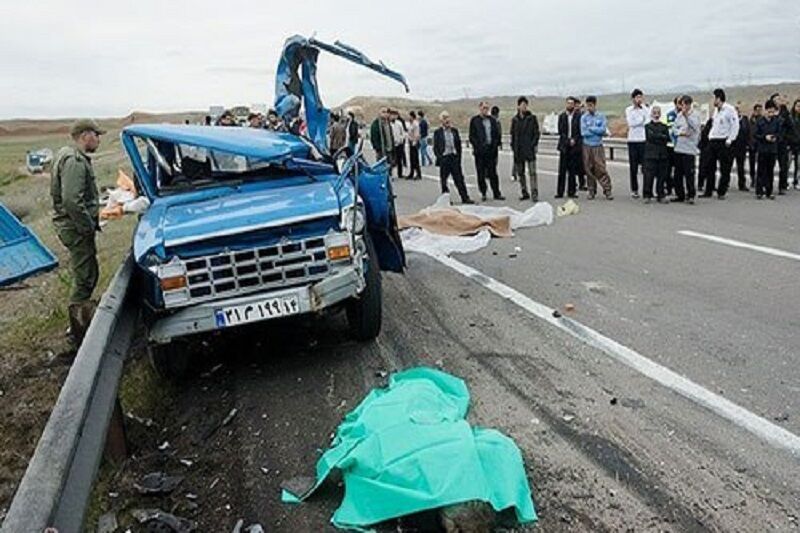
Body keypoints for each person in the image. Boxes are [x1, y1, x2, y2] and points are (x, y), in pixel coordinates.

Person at [51, 120, 105, 344]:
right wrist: (87, 226)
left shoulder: (68, 154)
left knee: (87, 272)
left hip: (72, 226)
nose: (98, 139)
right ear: (85, 135)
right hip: (75, 228)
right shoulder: (74, 161)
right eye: (96, 135)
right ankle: (78, 332)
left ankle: (81, 321)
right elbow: (72, 201)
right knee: (84, 277)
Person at [701, 88, 739, 199]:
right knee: (709, 166)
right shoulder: (716, 111)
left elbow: (735, 125)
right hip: (713, 141)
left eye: (713, 98)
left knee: (724, 168)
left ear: (718, 98)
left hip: (723, 141)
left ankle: (721, 191)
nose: (712, 100)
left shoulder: (729, 110)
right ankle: (708, 190)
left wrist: (730, 139)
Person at [433, 111, 473, 204]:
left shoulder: (454, 131)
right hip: (445, 158)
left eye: (447, 118)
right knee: (444, 180)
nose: (447, 120)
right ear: (441, 121)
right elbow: (436, 147)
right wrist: (440, 157)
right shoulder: (438, 132)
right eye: (444, 118)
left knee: (459, 179)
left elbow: (458, 145)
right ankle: (446, 199)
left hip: (454, 157)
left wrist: (458, 157)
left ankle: (465, 197)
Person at [468, 101, 504, 201]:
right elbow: (472, 136)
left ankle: (496, 193)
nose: (485, 110)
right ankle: (483, 192)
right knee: (481, 173)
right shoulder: (475, 121)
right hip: (480, 152)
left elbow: (497, 135)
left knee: (493, 173)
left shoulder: (492, 121)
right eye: (484, 108)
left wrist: (495, 145)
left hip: (491, 151)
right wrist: (478, 147)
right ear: (480, 108)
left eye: (487, 108)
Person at [580, 96, 613, 200]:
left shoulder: (601, 116)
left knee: (600, 168)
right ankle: (591, 191)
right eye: (587, 106)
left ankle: (607, 190)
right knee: (588, 169)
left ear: (595, 105)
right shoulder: (584, 118)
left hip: (597, 145)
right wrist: (596, 130)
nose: (589, 108)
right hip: (587, 146)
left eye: (591, 105)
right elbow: (584, 132)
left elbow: (603, 130)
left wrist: (591, 128)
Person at [510, 96, 540, 201]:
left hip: (529, 149)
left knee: (532, 172)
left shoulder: (532, 118)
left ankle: (534, 192)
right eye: (522, 105)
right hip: (518, 150)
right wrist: (513, 147)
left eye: (525, 105)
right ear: (518, 106)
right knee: (521, 173)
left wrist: (533, 144)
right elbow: (512, 135)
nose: (524, 107)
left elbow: (536, 133)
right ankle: (524, 192)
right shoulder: (515, 120)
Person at [671, 95, 700, 204]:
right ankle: (680, 195)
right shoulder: (679, 116)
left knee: (689, 173)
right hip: (679, 147)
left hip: (690, 148)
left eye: (684, 105)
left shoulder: (695, 115)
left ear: (688, 104)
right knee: (678, 173)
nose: (682, 107)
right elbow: (674, 128)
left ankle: (691, 195)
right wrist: (680, 133)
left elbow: (695, 127)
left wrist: (687, 116)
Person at [754, 99, 781, 199]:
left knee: (770, 171)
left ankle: (769, 191)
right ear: (765, 111)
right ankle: (759, 191)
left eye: (773, 112)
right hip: (762, 149)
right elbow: (756, 135)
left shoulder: (776, 122)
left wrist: (775, 137)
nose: (771, 114)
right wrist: (765, 137)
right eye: (769, 112)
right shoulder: (759, 121)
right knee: (761, 171)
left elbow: (780, 134)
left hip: (772, 150)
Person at [625, 89, 649, 198]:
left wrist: (641, 119)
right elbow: (631, 123)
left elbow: (648, 121)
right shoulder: (629, 110)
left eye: (640, 97)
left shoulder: (646, 109)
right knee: (633, 167)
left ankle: (646, 189)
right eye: (637, 97)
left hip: (643, 140)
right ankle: (634, 189)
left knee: (645, 167)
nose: (639, 99)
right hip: (633, 141)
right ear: (633, 99)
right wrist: (641, 119)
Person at [643, 106, 670, 203]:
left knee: (662, 177)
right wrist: (660, 136)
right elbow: (650, 137)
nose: (656, 114)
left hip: (662, 155)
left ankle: (661, 195)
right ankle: (647, 195)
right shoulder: (647, 126)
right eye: (654, 112)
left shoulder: (664, 126)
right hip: (650, 155)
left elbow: (667, 138)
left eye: (658, 112)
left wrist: (657, 136)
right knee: (648, 176)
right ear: (651, 114)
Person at [556, 96, 582, 198]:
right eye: (568, 103)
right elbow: (560, 131)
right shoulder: (562, 116)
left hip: (574, 146)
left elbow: (579, 131)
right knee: (562, 170)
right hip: (564, 146)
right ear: (566, 104)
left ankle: (572, 192)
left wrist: (574, 140)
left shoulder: (578, 116)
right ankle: (560, 192)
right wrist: (568, 140)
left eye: (572, 103)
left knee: (572, 171)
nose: (570, 105)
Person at [771, 93, 794, 195]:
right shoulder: (770, 112)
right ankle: (768, 186)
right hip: (772, 143)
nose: (778, 101)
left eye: (779, 99)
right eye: (775, 99)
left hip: (782, 143)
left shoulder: (785, 113)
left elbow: (790, 128)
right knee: (769, 165)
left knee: (783, 166)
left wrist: (788, 140)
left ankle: (782, 186)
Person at [732, 102, 751, 191]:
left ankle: (742, 184)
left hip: (742, 147)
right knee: (728, 165)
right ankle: (725, 183)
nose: (737, 111)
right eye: (735, 109)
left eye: (738, 109)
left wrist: (748, 144)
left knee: (741, 166)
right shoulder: (731, 121)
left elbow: (748, 132)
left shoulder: (745, 120)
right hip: (731, 146)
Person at [748, 104, 762, 189]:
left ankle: (758, 180)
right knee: (752, 164)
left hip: (759, 145)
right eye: (757, 110)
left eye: (760, 110)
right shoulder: (750, 121)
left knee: (760, 164)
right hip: (751, 145)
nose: (759, 112)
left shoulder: (762, 121)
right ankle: (753, 179)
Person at [574, 98, 587, 191]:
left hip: (581, 144)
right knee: (572, 166)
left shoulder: (582, 116)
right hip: (572, 144)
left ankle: (582, 183)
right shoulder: (570, 116)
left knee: (581, 165)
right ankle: (573, 183)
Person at [406, 111, 422, 179]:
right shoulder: (411, 124)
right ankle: (411, 173)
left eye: (409, 116)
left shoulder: (415, 124)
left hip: (414, 143)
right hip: (410, 142)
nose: (408, 117)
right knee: (411, 159)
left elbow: (417, 134)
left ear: (412, 116)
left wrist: (414, 142)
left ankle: (418, 174)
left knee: (415, 159)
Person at [791, 99, 800, 189]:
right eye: (797, 106)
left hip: (799, 144)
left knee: (799, 164)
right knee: (788, 163)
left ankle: (796, 181)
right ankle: (785, 181)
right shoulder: (791, 118)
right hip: (791, 144)